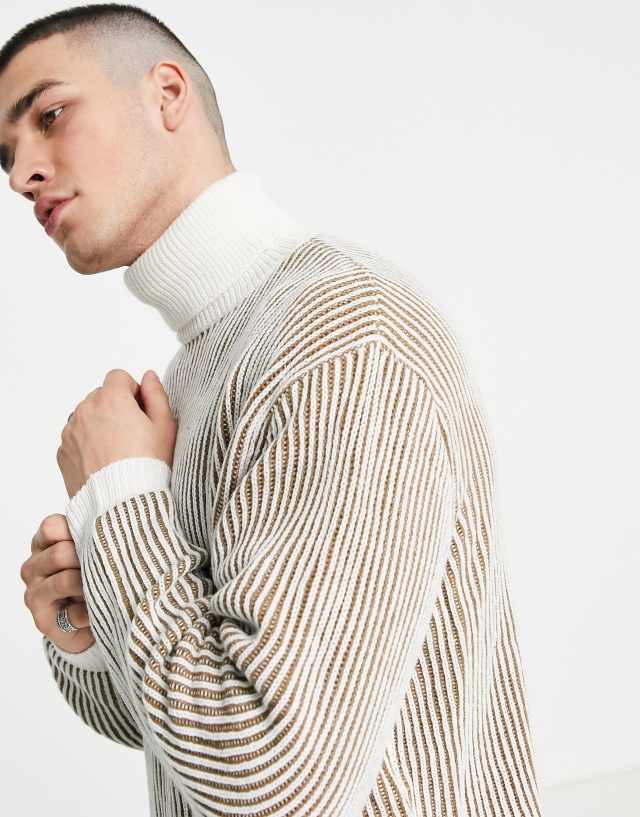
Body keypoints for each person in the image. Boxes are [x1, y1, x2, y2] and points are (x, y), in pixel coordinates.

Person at [7, 4, 545, 816]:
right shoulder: (199, 369)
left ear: (167, 94)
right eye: (7, 155)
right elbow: (176, 727)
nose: (20, 175)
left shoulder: (345, 337)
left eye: (49, 116)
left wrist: (120, 498)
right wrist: (82, 622)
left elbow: (271, 781)